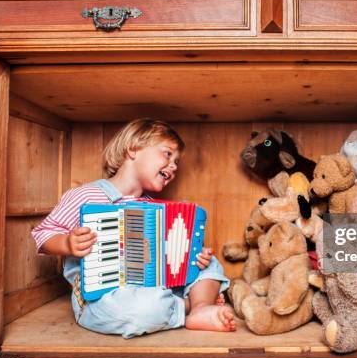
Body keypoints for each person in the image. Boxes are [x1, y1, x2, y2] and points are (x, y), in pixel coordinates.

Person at [32, 118, 236, 338]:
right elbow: (42, 234)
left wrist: (193, 257)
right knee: (137, 310)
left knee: (209, 264)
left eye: (176, 162)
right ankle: (187, 305)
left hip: (157, 287)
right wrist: (67, 243)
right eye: (168, 154)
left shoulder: (157, 210)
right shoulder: (85, 196)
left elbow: (168, 261)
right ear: (132, 149)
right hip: (103, 297)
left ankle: (200, 308)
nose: (174, 166)